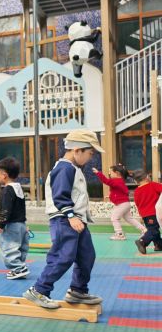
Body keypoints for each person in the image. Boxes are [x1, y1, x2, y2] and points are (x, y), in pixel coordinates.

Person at [24, 130, 103, 310]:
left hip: (77, 221)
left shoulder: (74, 168)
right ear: (77, 150)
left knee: (87, 256)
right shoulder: (64, 168)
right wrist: (71, 216)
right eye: (90, 153)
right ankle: (39, 290)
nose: (91, 157)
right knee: (63, 256)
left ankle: (78, 290)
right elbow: (60, 195)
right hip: (64, 219)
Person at [0, 157, 29, 280]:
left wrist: (0, 224)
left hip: (12, 225)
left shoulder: (7, 190)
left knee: (8, 247)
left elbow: (6, 209)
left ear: (4, 175)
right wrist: (24, 223)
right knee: (20, 247)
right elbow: (20, 207)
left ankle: (18, 268)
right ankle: (20, 266)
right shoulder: (18, 187)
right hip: (21, 224)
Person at [93, 164, 144, 241]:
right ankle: (144, 230)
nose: (109, 174)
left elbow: (106, 181)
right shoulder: (120, 181)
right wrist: (110, 196)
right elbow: (120, 192)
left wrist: (98, 173)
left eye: (111, 172)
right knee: (129, 219)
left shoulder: (116, 180)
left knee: (114, 218)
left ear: (117, 173)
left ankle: (119, 234)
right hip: (125, 203)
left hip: (122, 204)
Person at [132, 170, 162, 255]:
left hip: (145, 215)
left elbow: (138, 204)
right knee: (154, 230)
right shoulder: (153, 185)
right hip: (153, 213)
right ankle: (142, 241)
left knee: (153, 229)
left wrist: (141, 215)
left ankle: (159, 245)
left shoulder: (136, 191)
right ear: (147, 177)